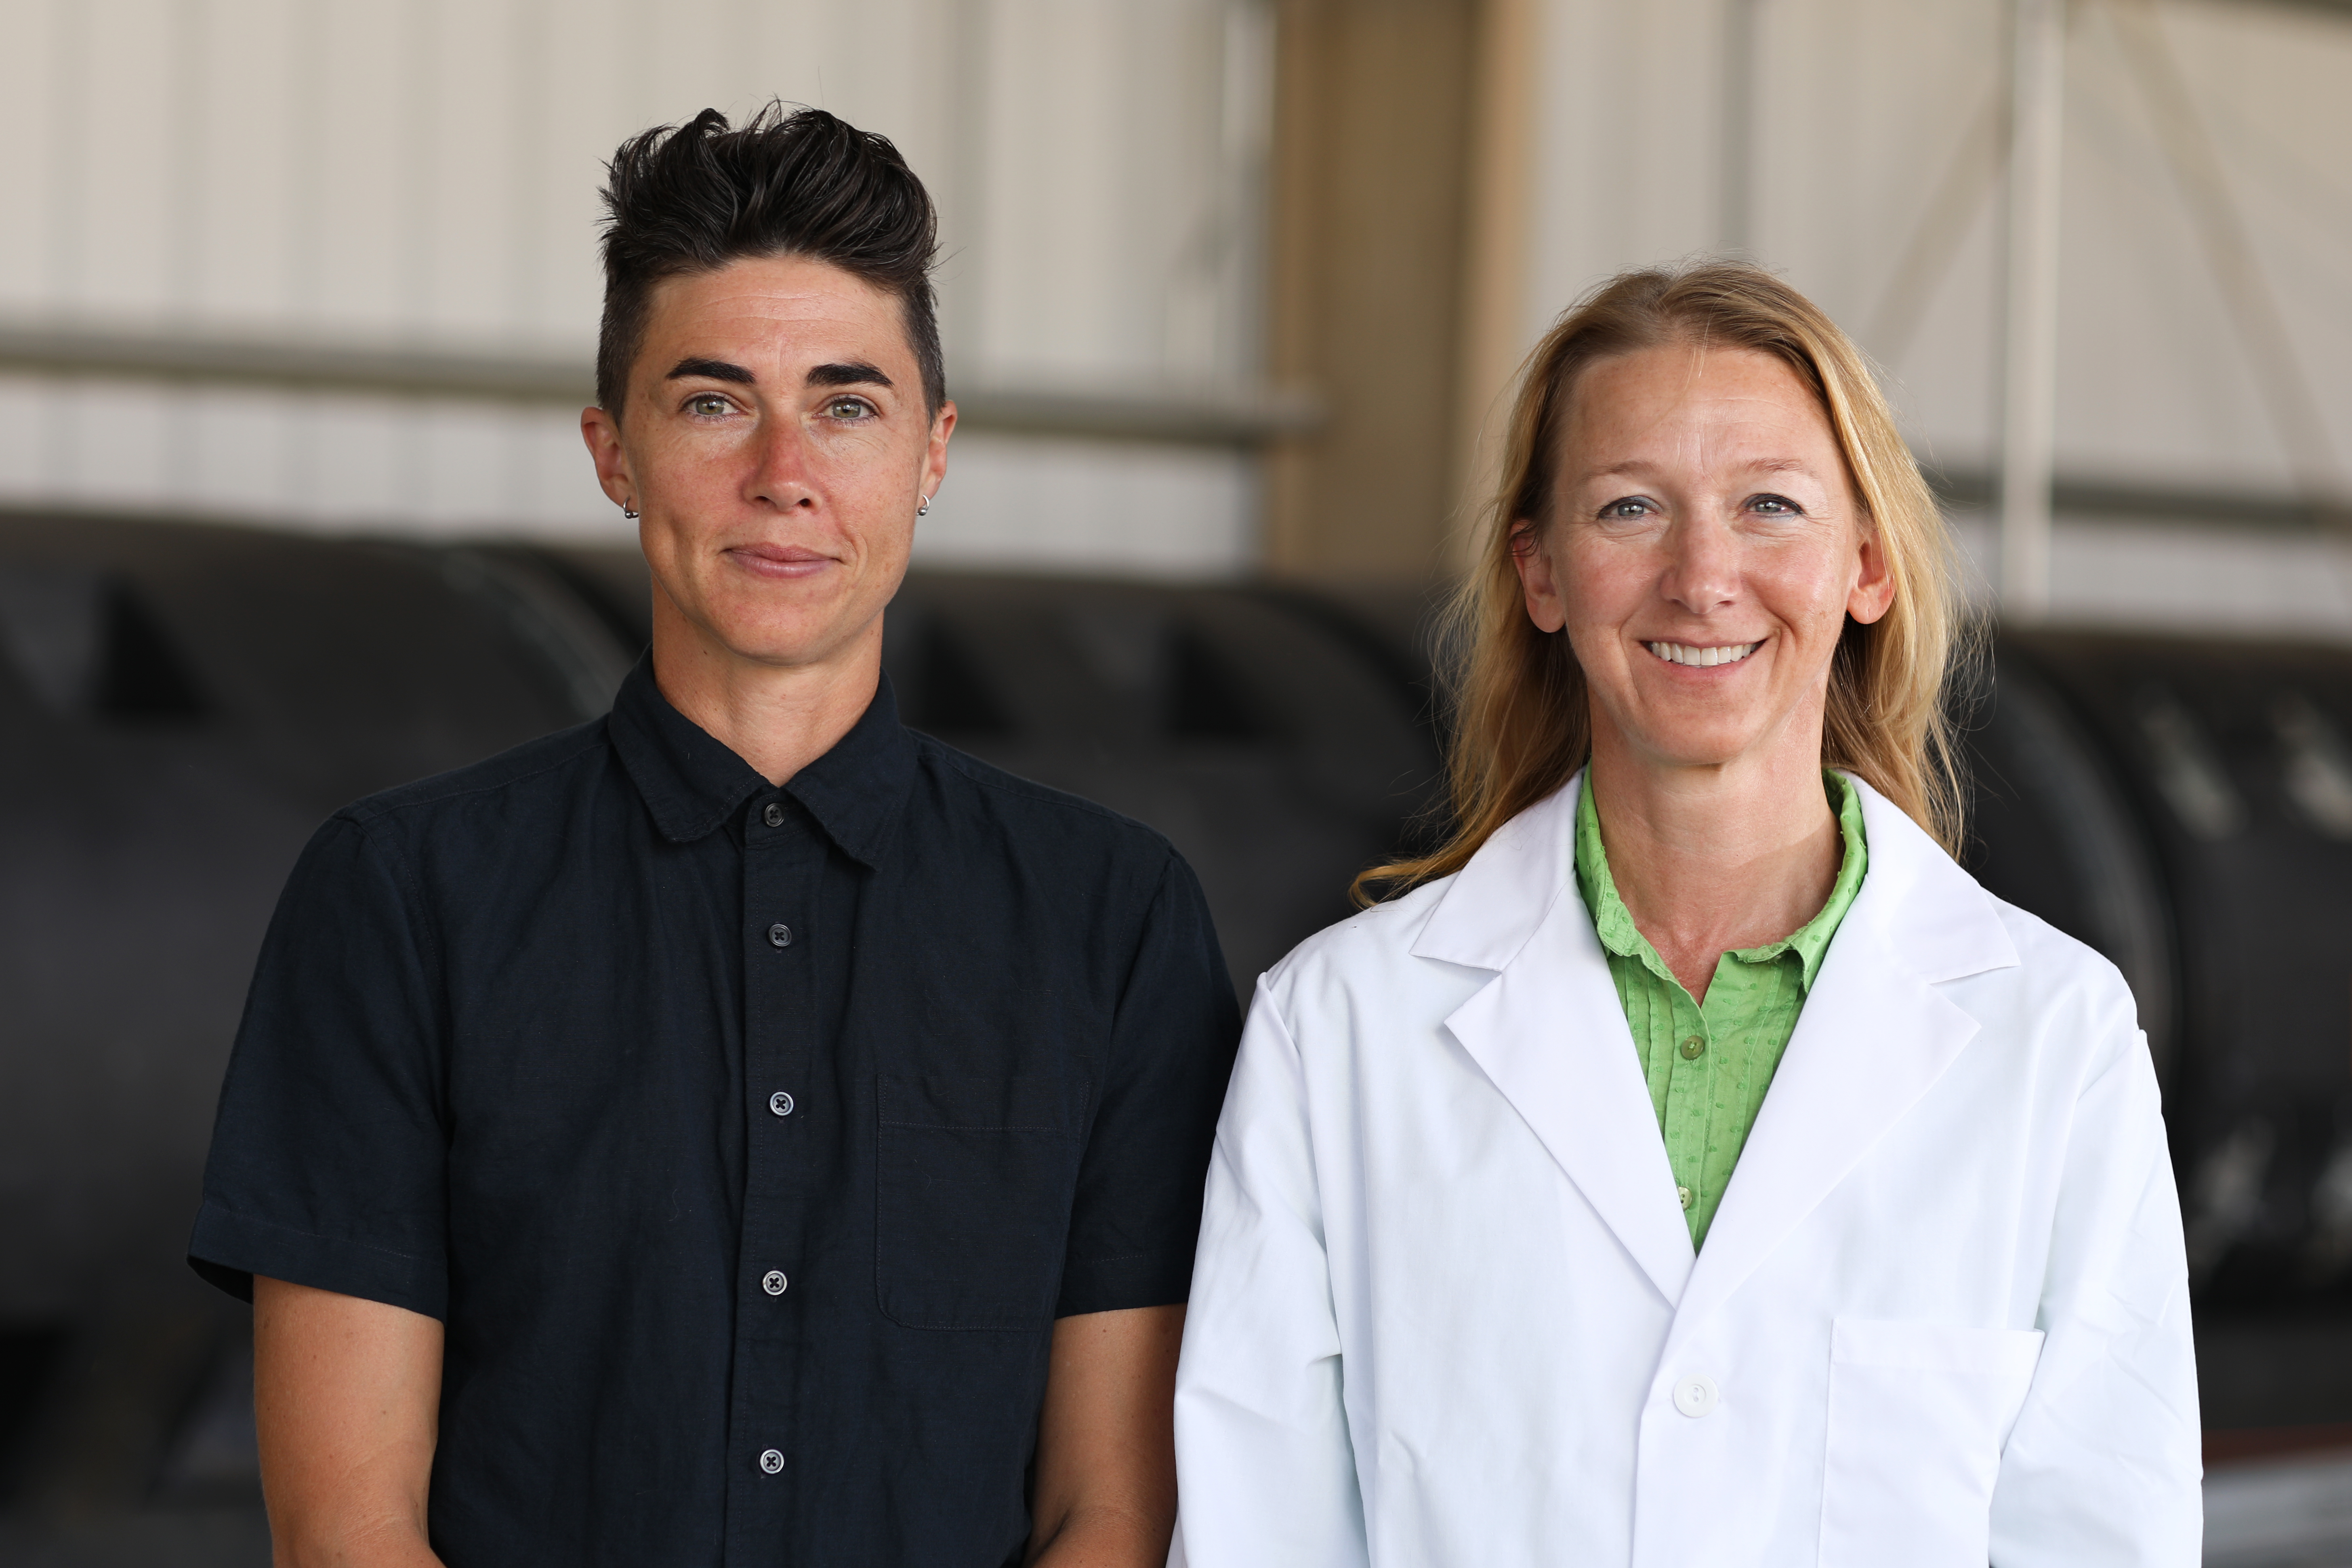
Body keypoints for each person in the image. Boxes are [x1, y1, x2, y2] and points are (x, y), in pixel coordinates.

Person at [189, 105, 1238, 1568]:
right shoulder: (402, 897)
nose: (784, 471)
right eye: (713, 401)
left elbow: (1113, 1511)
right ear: (612, 451)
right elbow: (348, 1524)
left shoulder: (1112, 919)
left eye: (849, 403)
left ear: (933, 454)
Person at [1170, 262, 2199, 1566]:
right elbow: (1260, 1526)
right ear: (1542, 574)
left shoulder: (2053, 1035)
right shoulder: (1340, 1027)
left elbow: (2104, 1532)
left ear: (1866, 564)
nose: (1703, 576)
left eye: (1770, 505)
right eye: (1631, 508)